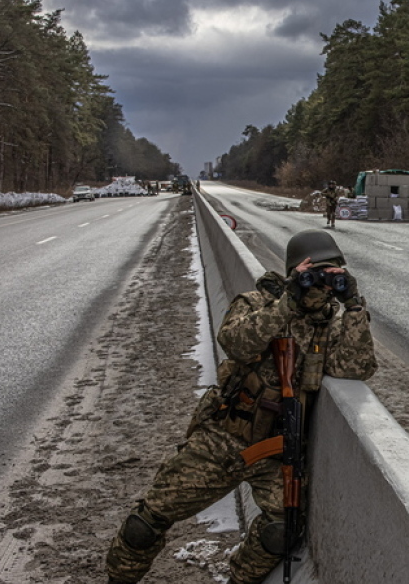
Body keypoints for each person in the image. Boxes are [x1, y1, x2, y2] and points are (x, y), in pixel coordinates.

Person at [106, 229, 377, 584]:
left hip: (277, 449)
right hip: (224, 436)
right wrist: (288, 303)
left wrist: (354, 306)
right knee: (147, 521)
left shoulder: (328, 325)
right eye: (316, 272)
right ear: (295, 270)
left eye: (333, 273)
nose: (323, 283)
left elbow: (356, 367)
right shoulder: (257, 302)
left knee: (280, 531)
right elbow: (236, 342)